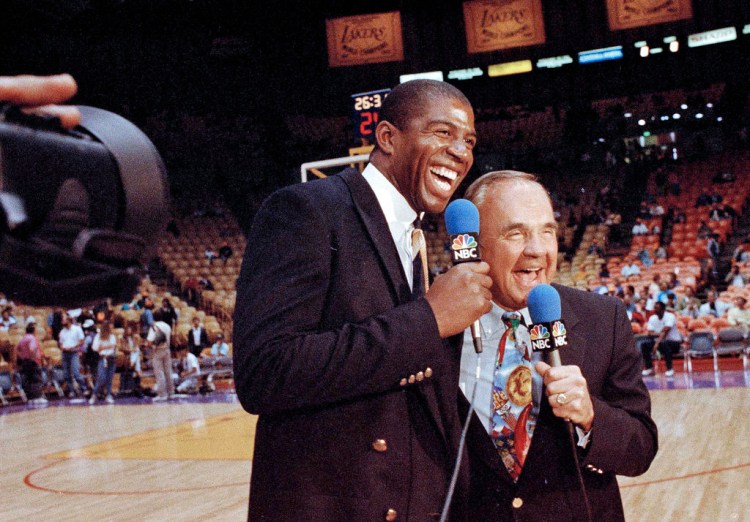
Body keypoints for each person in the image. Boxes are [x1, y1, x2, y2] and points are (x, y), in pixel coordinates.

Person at [233, 79, 492, 520]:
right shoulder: (308, 210)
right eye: (442, 133)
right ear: (388, 138)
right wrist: (429, 318)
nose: (461, 152)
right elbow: (264, 371)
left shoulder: (414, 238)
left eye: (468, 140)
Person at [459, 171, 656, 520]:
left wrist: (590, 416)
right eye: (515, 233)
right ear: (476, 243)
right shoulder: (440, 325)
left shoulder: (602, 319)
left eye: (547, 231)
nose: (537, 250)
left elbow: (640, 449)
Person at [642, 301, 681, 377]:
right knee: (644, 345)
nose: (655, 310)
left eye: (657, 308)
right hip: (660, 342)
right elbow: (650, 333)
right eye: (654, 308)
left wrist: (656, 343)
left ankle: (670, 369)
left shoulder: (670, 316)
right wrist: (660, 334)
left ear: (663, 309)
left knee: (664, 344)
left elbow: (665, 332)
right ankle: (649, 368)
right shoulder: (652, 318)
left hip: (674, 343)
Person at [15, 323, 47, 405]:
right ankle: (38, 397)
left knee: (28, 380)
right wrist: (33, 358)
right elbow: (32, 349)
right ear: (33, 330)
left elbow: (16, 349)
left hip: (25, 362)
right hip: (32, 361)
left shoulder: (23, 338)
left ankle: (31, 398)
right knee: (36, 380)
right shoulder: (32, 338)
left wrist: (22, 356)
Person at [58, 314, 88, 398]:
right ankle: (71, 390)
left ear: (68, 320)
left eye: (63, 320)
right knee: (66, 374)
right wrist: (63, 348)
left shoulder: (77, 329)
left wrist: (74, 347)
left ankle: (84, 388)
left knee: (76, 372)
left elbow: (82, 341)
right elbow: (60, 343)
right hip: (65, 353)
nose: (62, 321)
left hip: (74, 353)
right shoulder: (62, 332)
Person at [89, 321, 118, 405]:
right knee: (101, 378)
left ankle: (108, 395)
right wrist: (106, 346)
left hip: (111, 358)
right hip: (103, 358)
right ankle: (94, 394)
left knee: (109, 378)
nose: (112, 327)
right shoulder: (98, 336)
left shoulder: (112, 336)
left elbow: (113, 346)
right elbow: (95, 348)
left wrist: (103, 347)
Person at [146, 319, 174, 402]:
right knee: (168, 372)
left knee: (159, 373)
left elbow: (150, 342)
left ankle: (162, 394)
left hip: (158, 351)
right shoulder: (167, 326)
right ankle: (171, 392)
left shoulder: (154, 327)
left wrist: (148, 345)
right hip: (167, 350)